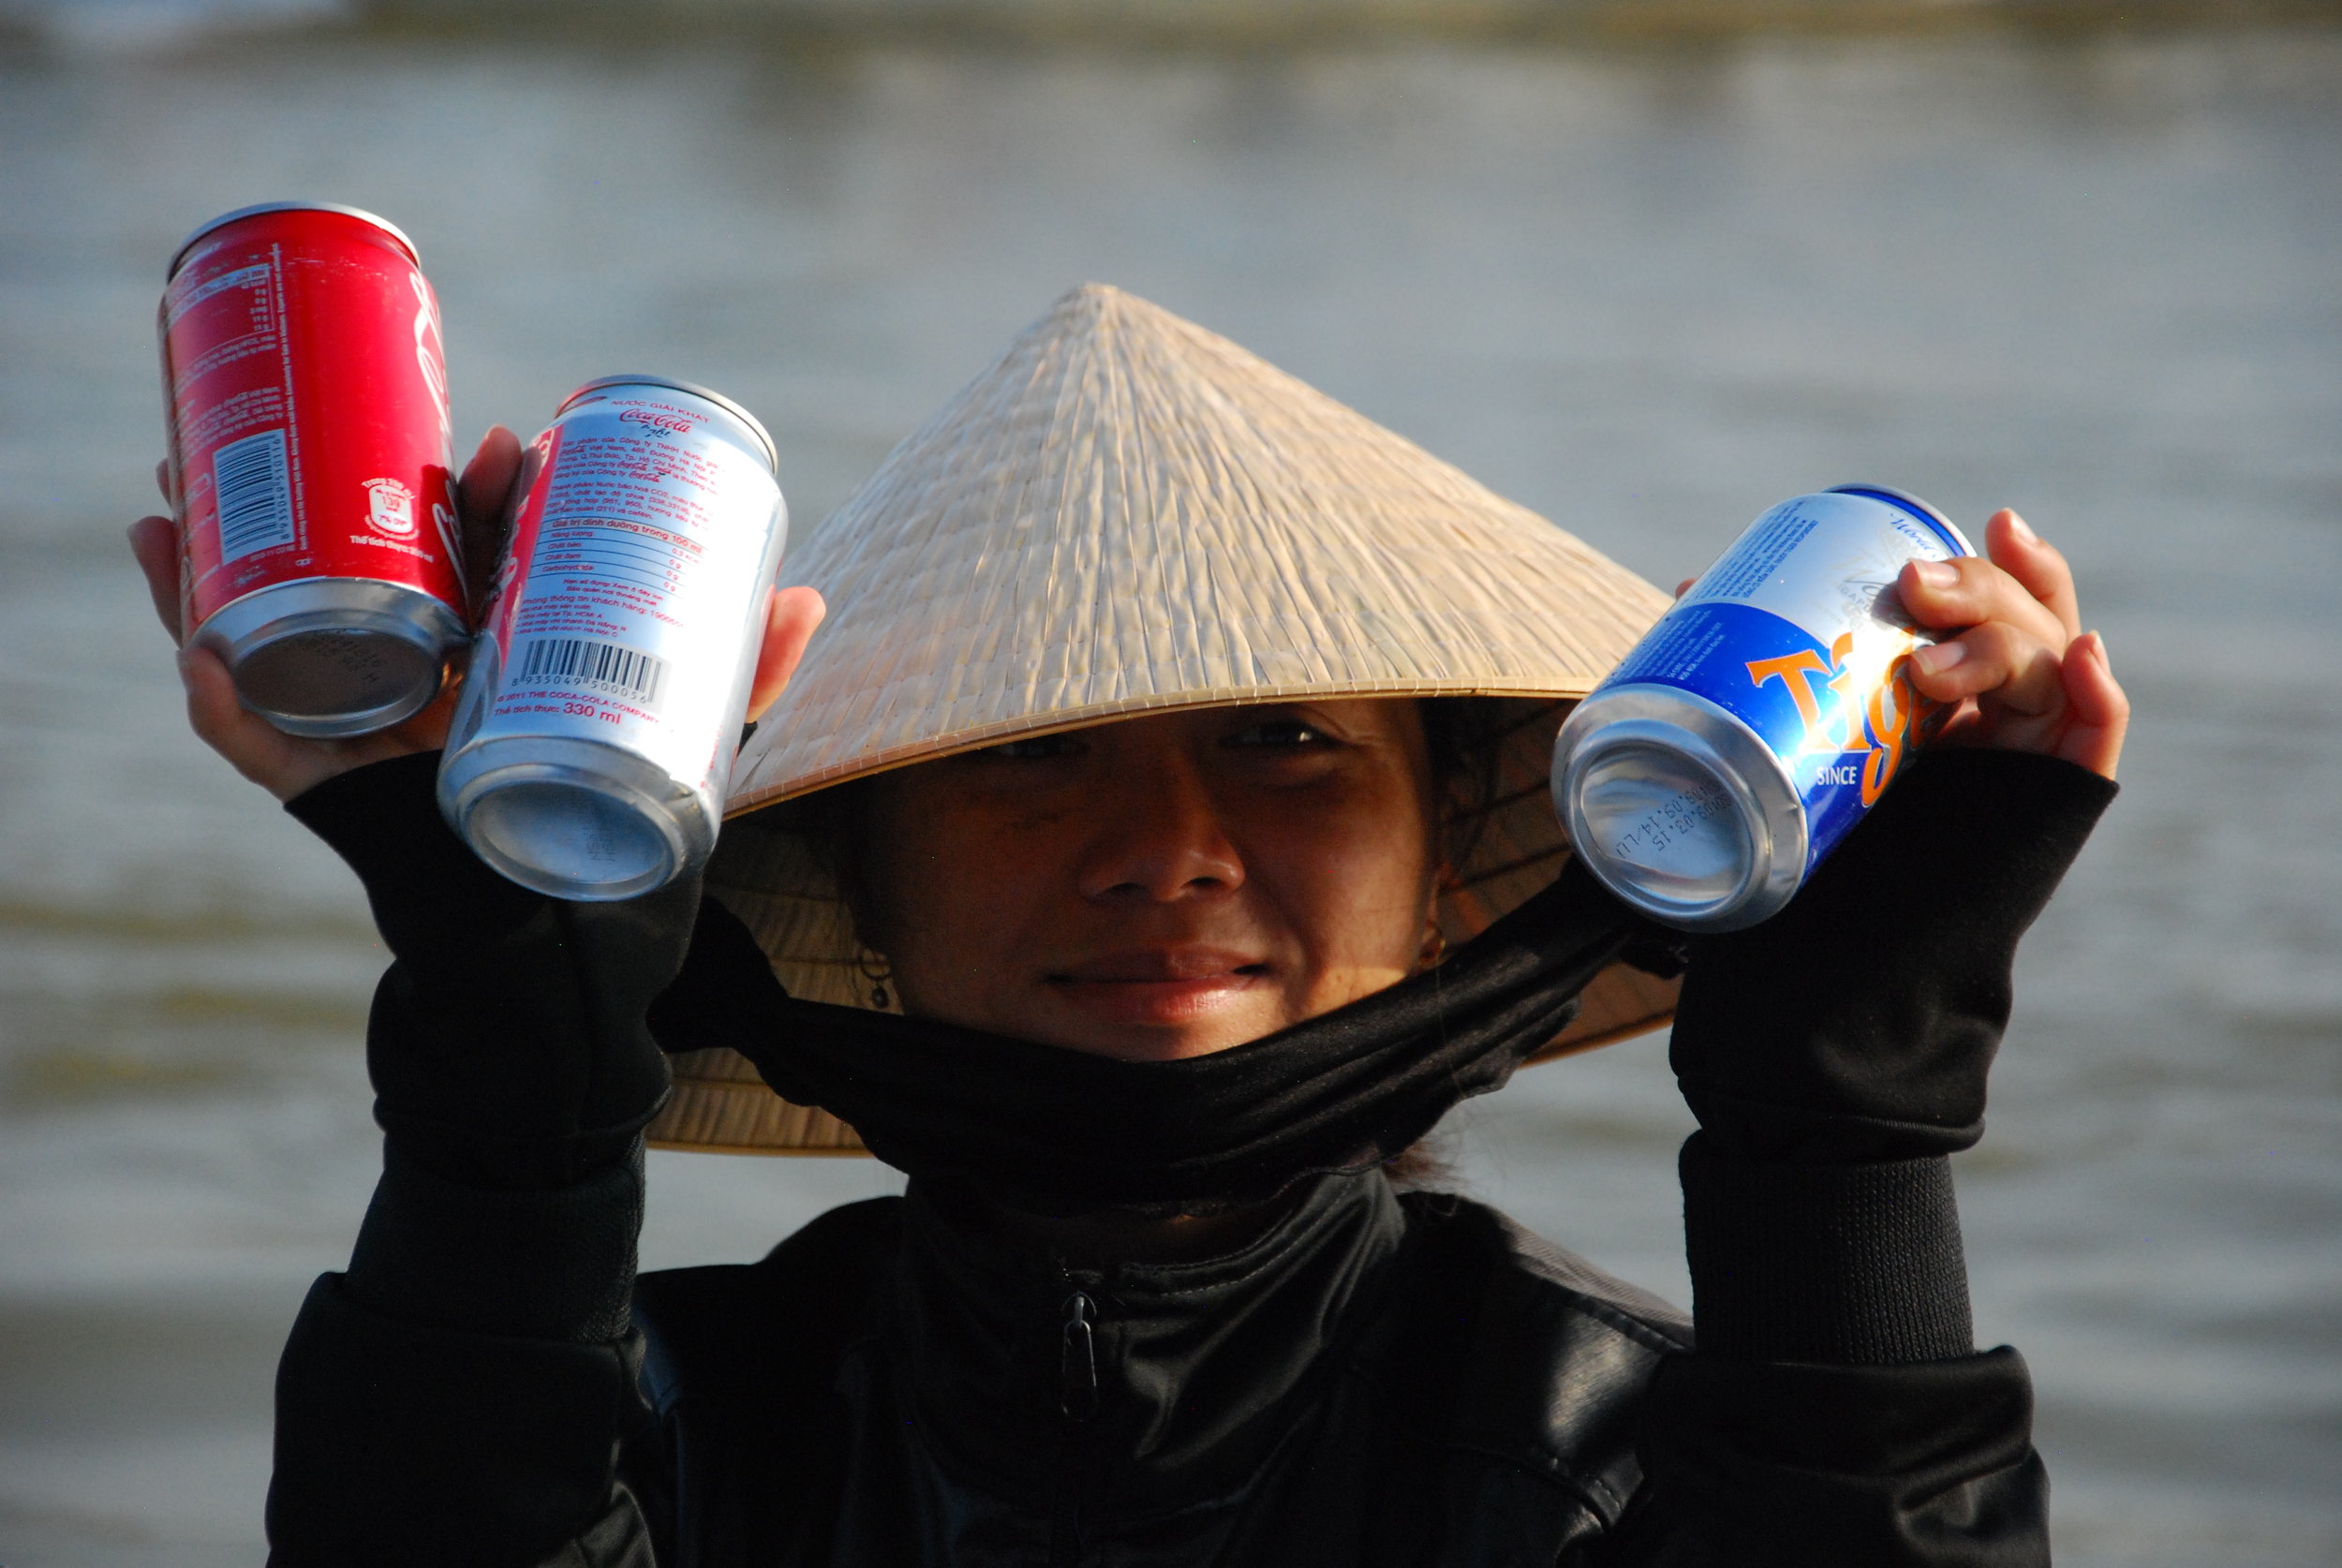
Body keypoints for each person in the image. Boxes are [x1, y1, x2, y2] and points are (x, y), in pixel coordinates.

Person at [129, 286, 2126, 1566]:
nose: (1165, 852)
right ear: (857, 888)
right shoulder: (666, 1414)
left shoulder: (1616, 1444)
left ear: (1447, 871)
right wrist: (509, 1095)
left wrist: (1844, 1132)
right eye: (1027, 761)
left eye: (1282, 745)